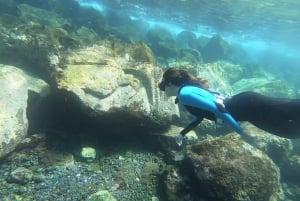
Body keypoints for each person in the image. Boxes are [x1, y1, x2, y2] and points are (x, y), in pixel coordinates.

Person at [158, 68, 300, 145]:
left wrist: (241, 132)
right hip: (246, 106)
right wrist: (182, 134)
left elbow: (217, 108)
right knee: (290, 130)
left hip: (247, 106)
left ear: (170, 84)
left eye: (164, 86)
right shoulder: (186, 91)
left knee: (291, 113)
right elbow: (200, 116)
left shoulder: (185, 94)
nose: (163, 91)